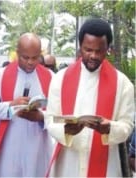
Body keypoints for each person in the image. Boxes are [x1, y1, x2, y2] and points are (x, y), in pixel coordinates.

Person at [45, 18, 135, 177]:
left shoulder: (123, 84)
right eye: (88, 49)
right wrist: (66, 130)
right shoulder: (60, 79)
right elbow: (50, 119)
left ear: (108, 49)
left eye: (99, 50)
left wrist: (108, 128)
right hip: (68, 163)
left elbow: (127, 126)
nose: (93, 55)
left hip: (106, 165)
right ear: (80, 47)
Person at [0, 33, 54, 177]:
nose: (30, 62)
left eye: (35, 57)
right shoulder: (0, 76)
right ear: (17, 53)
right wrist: (11, 106)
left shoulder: (50, 76)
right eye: (25, 57)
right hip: (10, 144)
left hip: (38, 144)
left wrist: (40, 116)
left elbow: (58, 113)